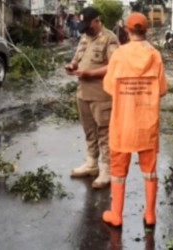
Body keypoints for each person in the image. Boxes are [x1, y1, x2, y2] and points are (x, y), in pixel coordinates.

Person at [102, 12, 167, 228]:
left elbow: (109, 87)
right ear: (146, 30)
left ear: (127, 31)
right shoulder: (155, 55)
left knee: (118, 172)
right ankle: (150, 215)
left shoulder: (119, 55)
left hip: (123, 124)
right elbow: (163, 89)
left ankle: (117, 215)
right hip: (147, 123)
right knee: (149, 170)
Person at [65, 7, 119, 189]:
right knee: (89, 131)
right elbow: (77, 57)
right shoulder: (84, 37)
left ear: (96, 21)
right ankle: (91, 164)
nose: (85, 29)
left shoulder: (109, 38)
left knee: (104, 133)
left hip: (101, 95)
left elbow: (114, 67)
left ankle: (107, 169)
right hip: (83, 93)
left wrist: (90, 73)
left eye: (88, 25)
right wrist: (72, 65)